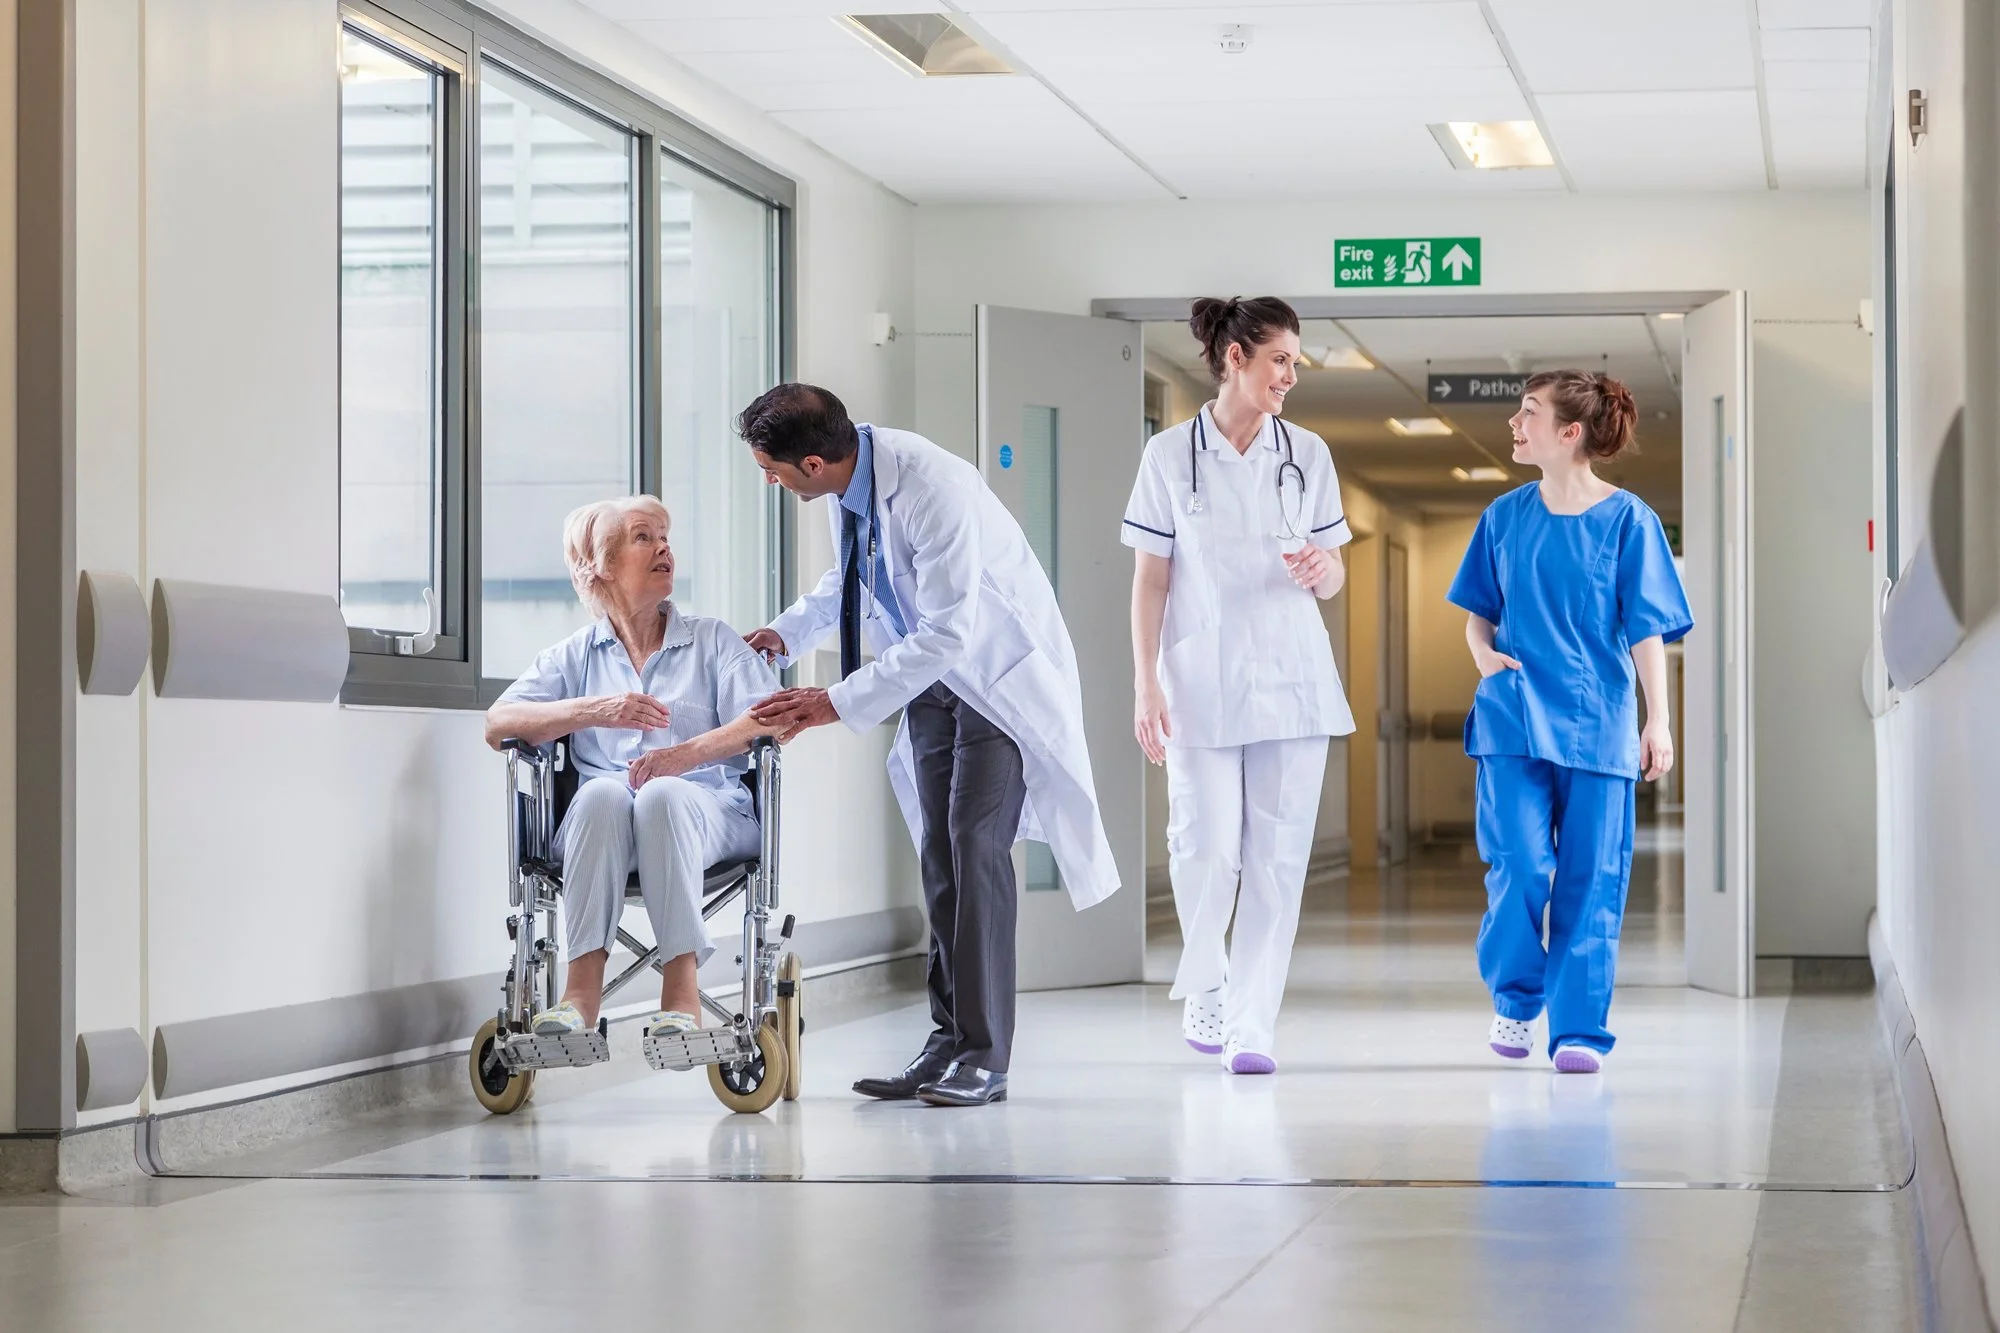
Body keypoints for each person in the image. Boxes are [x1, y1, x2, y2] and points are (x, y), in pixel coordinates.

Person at [738, 383, 1118, 1108]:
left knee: (976, 845)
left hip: (992, 681)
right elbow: (850, 579)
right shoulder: (852, 486)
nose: (770, 480)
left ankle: (986, 1055)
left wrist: (834, 702)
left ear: (812, 462)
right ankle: (947, 1040)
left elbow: (951, 631)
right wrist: (786, 633)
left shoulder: (930, 485)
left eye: (772, 469)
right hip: (929, 682)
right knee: (941, 854)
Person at [1124, 296, 1355, 1076]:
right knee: (1207, 847)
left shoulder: (1309, 454)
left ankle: (1254, 1022)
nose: (1290, 374)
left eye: (1295, 360)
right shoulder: (1167, 456)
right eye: (1279, 359)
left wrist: (1327, 570)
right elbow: (1150, 580)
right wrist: (1145, 682)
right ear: (1234, 359)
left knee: (1277, 860)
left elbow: (1332, 570)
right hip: (1199, 680)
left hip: (1292, 679)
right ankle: (1207, 980)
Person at [1446, 370, 1693, 1074]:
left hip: (1598, 722)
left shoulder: (1629, 521)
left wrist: (1659, 720)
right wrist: (1482, 655)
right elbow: (1477, 617)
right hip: (1514, 718)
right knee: (1521, 864)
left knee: (1592, 877)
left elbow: (1647, 628)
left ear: (1569, 432)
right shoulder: (1503, 516)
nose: (1514, 426)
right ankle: (1517, 1001)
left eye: (1528, 414)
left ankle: (1579, 1028)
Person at [484, 496, 780, 1055]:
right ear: (599, 564)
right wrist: (595, 710)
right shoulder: (574, 656)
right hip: (608, 832)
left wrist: (683, 755)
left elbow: (770, 721)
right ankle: (579, 998)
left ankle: (682, 995)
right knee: (599, 793)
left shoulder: (714, 641)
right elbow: (499, 724)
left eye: (666, 536)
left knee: (663, 794)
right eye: (645, 537)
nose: (665, 547)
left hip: (709, 817)